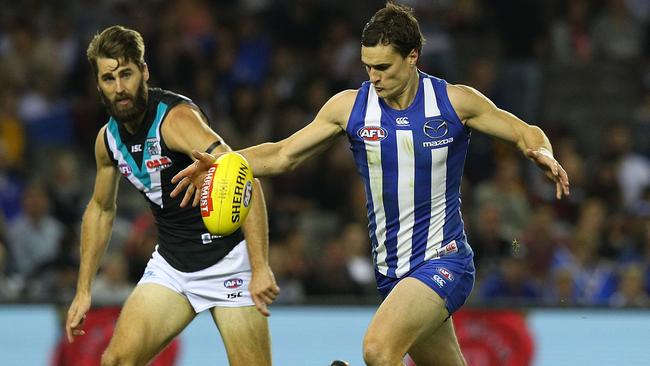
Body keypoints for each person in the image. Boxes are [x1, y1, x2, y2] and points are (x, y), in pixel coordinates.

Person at [173, 2, 570, 365]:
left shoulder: (454, 102)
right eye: (367, 67)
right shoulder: (349, 107)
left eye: (383, 68)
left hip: (443, 260)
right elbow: (282, 154)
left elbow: (523, 131)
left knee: (378, 350)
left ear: (412, 56)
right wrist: (223, 163)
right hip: (391, 271)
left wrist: (543, 152)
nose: (373, 77)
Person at [65, 25, 279, 366]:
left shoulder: (176, 120)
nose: (119, 88)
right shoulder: (107, 141)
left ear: (144, 71)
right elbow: (101, 209)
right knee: (116, 362)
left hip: (228, 262)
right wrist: (84, 290)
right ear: (98, 84)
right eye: (109, 78)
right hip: (173, 266)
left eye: (127, 74)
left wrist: (261, 266)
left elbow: (241, 174)